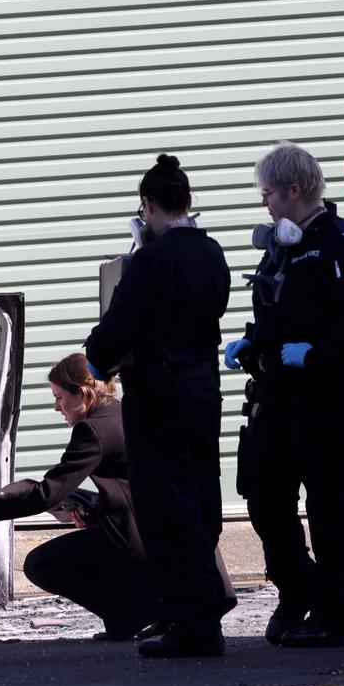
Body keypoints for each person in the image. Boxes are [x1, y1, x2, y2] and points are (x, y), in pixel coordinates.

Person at [85, 153, 231, 658]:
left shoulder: (150, 262)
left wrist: (97, 354)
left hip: (158, 396)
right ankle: (206, 607)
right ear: (189, 202)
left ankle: (191, 624)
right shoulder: (212, 253)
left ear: (147, 206)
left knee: (167, 508)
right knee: (201, 498)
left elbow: (117, 330)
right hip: (201, 389)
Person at [224, 141, 344, 648]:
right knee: (264, 497)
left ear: (294, 190)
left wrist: (315, 355)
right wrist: (251, 340)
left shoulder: (340, 245)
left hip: (323, 401)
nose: (267, 205)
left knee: (327, 507)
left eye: (269, 194)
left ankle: (334, 613)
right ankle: (297, 591)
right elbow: (278, 313)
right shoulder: (285, 246)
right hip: (276, 396)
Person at [0, 353, 159, 641]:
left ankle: (133, 614)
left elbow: (47, 494)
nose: (56, 407)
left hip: (135, 541)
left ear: (84, 395)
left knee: (40, 565)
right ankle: (145, 609)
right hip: (156, 534)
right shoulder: (122, 413)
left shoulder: (92, 430)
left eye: (59, 397)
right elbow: (127, 485)